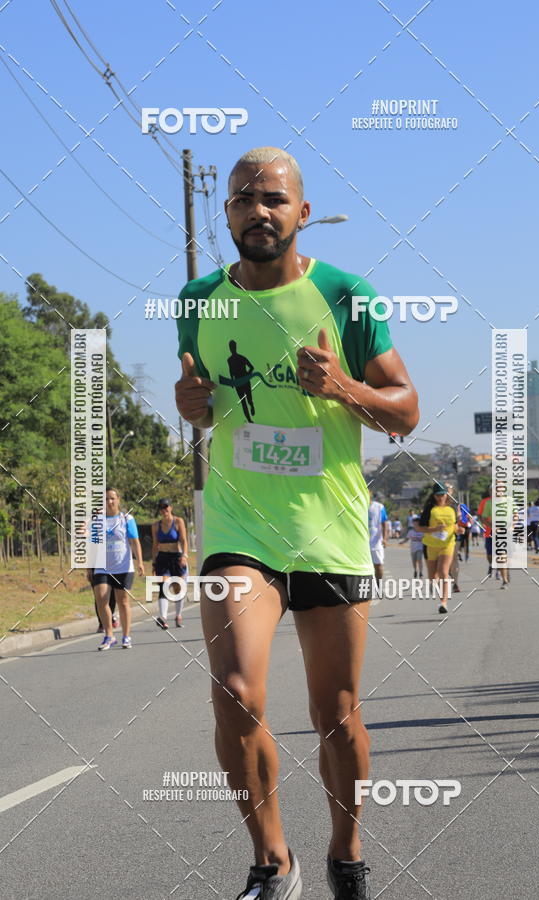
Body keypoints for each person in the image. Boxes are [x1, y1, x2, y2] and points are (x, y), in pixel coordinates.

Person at [175, 146, 419, 900]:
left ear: (302, 213)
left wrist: (344, 386)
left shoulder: (349, 296)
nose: (259, 211)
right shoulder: (197, 299)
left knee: (335, 713)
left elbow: (406, 409)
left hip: (330, 529)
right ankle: (273, 862)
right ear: (227, 215)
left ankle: (346, 853)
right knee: (238, 690)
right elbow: (201, 395)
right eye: (244, 200)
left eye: (274, 199)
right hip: (240, 529)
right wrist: (190, 406)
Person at [90, 488, 144, 650]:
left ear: (118, 499)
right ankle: (109, 635)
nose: (109, 502)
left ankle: (126, 636)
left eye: (112, 498)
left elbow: (135, 542)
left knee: (123, 601)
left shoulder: (126, 519)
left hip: (123, 566)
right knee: (101, 599)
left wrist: (140, 562)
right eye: (106, 499)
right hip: (102, 567)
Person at [413, 482, 463, 613]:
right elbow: (419, 528)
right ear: (434, 496)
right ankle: (440, 593)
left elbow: (455, 525)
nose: (440, 497)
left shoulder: (451, 509)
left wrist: (459, 530)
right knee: (432, 576)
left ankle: (443, 603)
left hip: (447, 544)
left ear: (447, 495)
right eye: (438, 495)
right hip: (431, 545)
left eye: (442, 494)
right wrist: (435, 529)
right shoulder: (430, 509)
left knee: (443, 573)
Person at [151, 498, 189, 629]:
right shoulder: (156, 526)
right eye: (161, 507)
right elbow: (155, 545)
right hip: (162, 558)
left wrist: (184, 555)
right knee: (164, 585)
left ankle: (178, 615)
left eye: (166, 507)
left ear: (171, 507)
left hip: (176, 557)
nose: (164, 510)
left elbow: (184, 540)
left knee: (178, 588)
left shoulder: (178, 522)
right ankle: (163, 618)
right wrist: (154, 563)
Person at [477, 491, 509, 588]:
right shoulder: (486, 502)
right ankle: (492, 565)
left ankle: (504, 579)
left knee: (501, 555)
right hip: (489, 532)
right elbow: (481, 515)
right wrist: (486, 524)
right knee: (490, 555)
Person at [368, 491, 389, 584]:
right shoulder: (357, 506)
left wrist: (384, 538)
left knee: (378, 565)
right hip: (362, 544)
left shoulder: (379, 507)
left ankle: (378, 584)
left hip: (376, 542)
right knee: (366, 567)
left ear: (370, 494)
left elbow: (384, 523)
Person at [407, 514, 424, 578]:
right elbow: (407, 538)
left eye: (417, 523)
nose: (415, 525)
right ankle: (415, 570)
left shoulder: (422, 531)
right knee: (414, 562)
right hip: (413, 549)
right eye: (414, 523)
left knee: (419, 559)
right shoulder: (411, 531)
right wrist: (402, 542)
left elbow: (425, 538)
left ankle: (421, 572)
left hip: (420, 548)